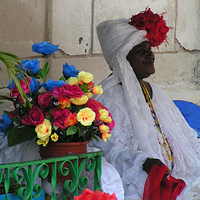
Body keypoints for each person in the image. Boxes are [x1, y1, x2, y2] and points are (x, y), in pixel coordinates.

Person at [91, 8, 200, 200]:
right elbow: (106, 149)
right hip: (140, 183)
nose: (150, 56)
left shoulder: (156, 92)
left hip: (179, 176)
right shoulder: (106, 98)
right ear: (122, 60)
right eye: (142, 52)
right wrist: (143, 163)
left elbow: (186, 136)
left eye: (149, 50)